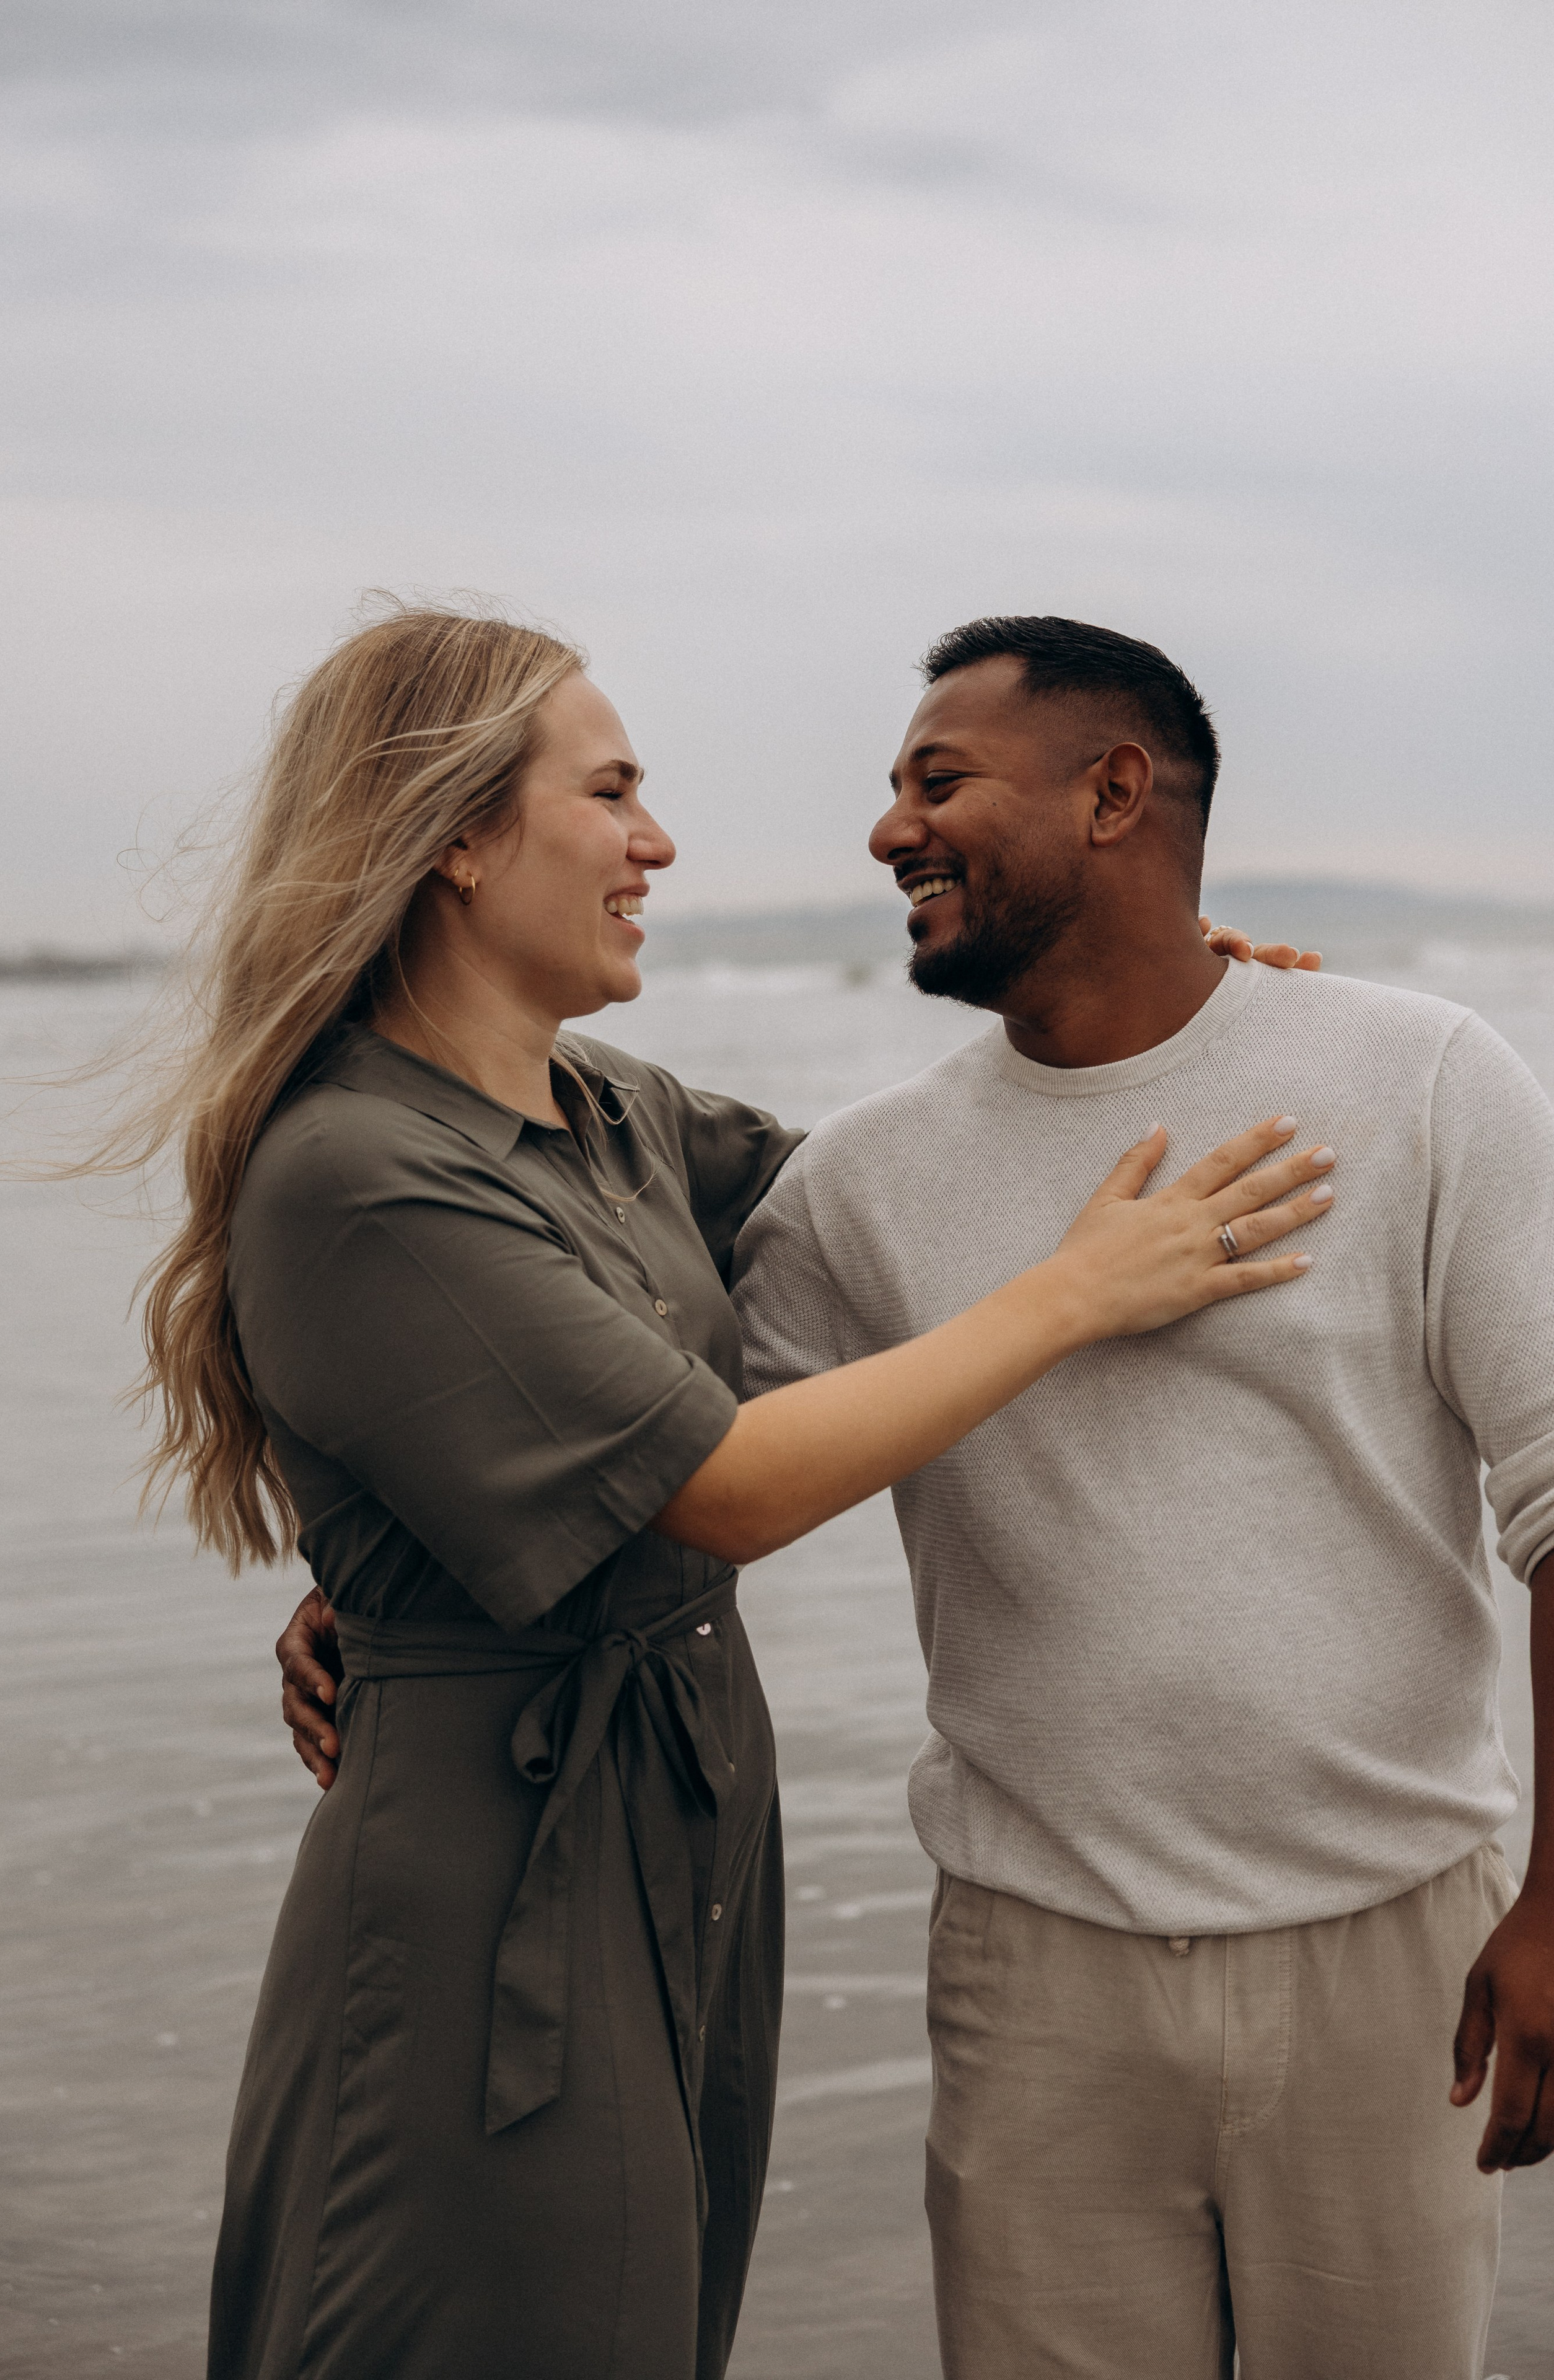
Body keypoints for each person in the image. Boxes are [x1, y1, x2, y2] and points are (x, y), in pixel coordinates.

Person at [137, 602, 1328, 2380]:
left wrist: (1160, 994)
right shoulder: (353, 1172)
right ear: (457, 837)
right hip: (494, 1875)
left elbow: (904, 1194)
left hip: (690, 1820)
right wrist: (1082, 1291)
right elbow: (728, 1484)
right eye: (611, 793)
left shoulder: (610, 1114)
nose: (658, 843)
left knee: (651, 2325)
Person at [723, 617, 1554, 2379]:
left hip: (1398, 1948)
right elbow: (661, 1475)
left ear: (1115, 791)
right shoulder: (858, 1185)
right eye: (891, 790)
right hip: (1038, 1975)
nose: (888, 831)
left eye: (936, 781)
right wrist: (389, 1577)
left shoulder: (1421, 1079)